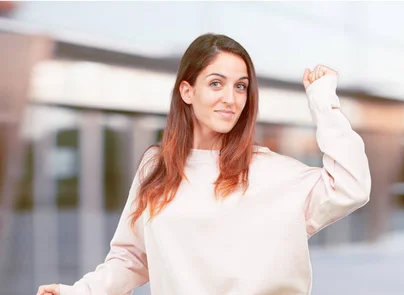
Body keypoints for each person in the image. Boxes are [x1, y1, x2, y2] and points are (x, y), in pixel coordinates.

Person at [36, 33, 371, 295]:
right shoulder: (156, 166)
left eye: (240, 86)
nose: (231, 98)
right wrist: (78, 291)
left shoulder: (272, 171)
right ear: (187, 91)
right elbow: (132, 258)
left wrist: (323, 101)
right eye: (216, 83)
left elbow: (351, 186)